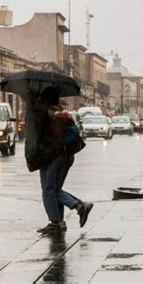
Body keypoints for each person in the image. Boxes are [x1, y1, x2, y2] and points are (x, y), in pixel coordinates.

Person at [30, 88, 93, 234]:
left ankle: (75, 208)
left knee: (48, 190)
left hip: (51, 156)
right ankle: (59, 221)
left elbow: (42, 137)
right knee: (54, 189)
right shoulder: (59, 111)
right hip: (63, 155)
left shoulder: (49, 114)